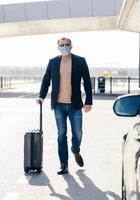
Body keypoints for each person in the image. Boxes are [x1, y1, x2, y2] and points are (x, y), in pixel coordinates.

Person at [36, 37, 93, 175]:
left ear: (71, 45)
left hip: (75, 105)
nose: (65, 46)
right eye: (62, 45)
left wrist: (89, 101)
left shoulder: (80, 61)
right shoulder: (53, 62)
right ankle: (64, 164)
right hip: (59, 106)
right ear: (58, 47)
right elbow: (46, 80)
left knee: (78, 133)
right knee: (61, 135)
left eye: (67, 44)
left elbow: (87, 81)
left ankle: (75, 149)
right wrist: (41, 96)